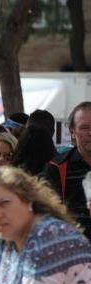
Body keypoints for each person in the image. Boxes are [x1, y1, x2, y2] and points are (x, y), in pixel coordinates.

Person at [43, 101, 91, 238]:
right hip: (73, 247)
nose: (90, 133)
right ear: (72, 132)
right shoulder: (57, 167)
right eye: (84, 128)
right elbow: (49, 213)